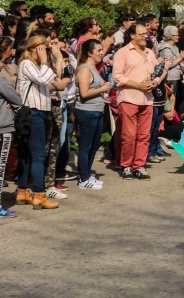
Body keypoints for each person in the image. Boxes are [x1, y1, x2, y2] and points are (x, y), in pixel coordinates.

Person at [15, 35, 71, 210]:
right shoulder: (26, 64)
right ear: (32, 49)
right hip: (32, 113)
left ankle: (22, 191)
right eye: (42, 49)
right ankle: (39, 195)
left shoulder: (39, 66)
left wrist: (57, 60)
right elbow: (42, 79)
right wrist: (46, 62)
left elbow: (57, 79)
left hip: (40, 113)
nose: (45, 52)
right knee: (38, 155)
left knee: (27, 155)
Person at [113, 24, 168, 180]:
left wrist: (155, 82)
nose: (146, 36)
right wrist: (138, 85)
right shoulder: (122, 53)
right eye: (142, 34)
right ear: (132, 35)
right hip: (129, 98)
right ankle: (126, 166)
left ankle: (139, 166)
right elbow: (117, 77)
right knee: (129, 135)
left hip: (147, 100)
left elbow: (157, 72)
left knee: (144, 135)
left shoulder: (150, 53)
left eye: (147, 34)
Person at [74, 39, 111, 190]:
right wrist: (103, 89)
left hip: (97, 111)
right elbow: (84, 93)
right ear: (89, 53)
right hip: (86, 112)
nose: (101, 53)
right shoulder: (84, 69)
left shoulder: (94, 68)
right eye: (98, 50)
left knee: (94, 145)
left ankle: (87, 174)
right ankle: (83, 177)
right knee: (85, 145)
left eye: (102, 50)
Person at [0, 37, 21, 218]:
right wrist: (9, 101)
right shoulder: (1, 81)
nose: (1, 65)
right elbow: (18, 98)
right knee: (0, 169)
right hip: (2, 128)